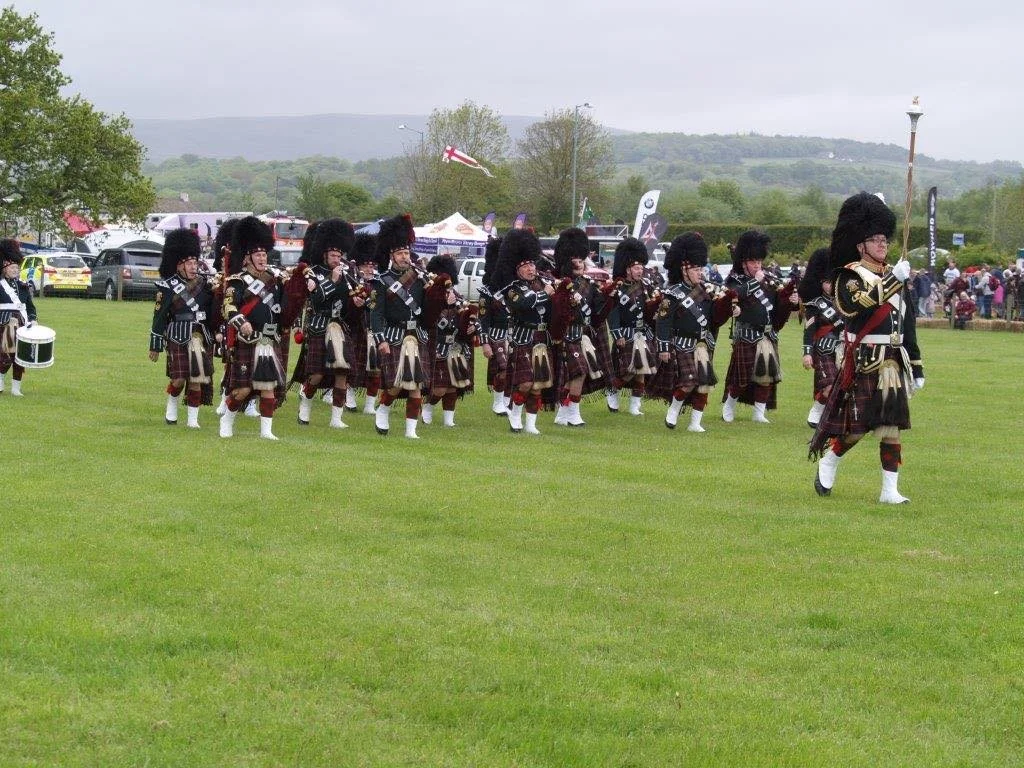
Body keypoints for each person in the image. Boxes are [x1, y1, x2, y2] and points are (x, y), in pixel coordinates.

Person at [810, 192, 924, 504]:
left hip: (892, 364)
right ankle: (831, 458)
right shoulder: (849, 276)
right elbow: (855, 307)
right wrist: (892, 281)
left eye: (885, 239)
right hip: (863, 361)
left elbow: (907, 325)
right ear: (861, 244)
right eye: (875, 239)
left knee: (891, 428)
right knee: (856, 429)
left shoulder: (895, 277)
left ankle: (889, 491)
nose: (883, 244)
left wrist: (916, 365)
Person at [650, 232, 737, 432]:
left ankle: (695, 423)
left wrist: (731, 308)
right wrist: (663, 347)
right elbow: (662, 322)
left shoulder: (707, 291)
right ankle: (674, 409)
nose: (700, 272)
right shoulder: (671, 294)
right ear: (684, 270)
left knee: (704, 384)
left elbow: (714, 317)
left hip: (703, 345)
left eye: (701, 268)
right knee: (688, 381)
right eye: (696, 269)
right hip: (681, 344)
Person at [219, 216, 287, 440]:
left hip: (268, 338)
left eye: (264, 254)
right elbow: (227, 307)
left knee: (267, 387)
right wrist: (241, 321)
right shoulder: (238, 281)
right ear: (247, 258)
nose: (262, 258)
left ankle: (266, 431)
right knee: (243, 390)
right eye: (258, 254)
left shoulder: (275, 280)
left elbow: (287, 305)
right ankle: (227, 419)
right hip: (247, 340)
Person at [721, 230, 799, 423]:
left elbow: (778, 305)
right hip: (746, 333)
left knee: (766, 375)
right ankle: (729, 406)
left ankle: (759, 413)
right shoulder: (735, 279)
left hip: (768, 334)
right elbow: (733, 295)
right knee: (742, 375)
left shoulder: (770, 279)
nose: (757, 265)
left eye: (759, 261)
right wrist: (754, 283)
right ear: (744, 262)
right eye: (753, 262)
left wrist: (791, 301)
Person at [290, 218, 358, 430]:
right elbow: (316, 299)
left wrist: (357, 301)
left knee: (342, 372)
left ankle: (336, 418)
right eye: (333, 256)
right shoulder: (311, 273)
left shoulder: (347, 275)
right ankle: (305, 409)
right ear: (324, 254)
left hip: (339, 327)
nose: (337, 259)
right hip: (319, 326)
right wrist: (333, 281)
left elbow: (349, 304)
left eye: (340, 256)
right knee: (317, 374)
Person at [148, 228, 216, 428]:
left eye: (195, 262)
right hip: (177, 336)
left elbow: (213, 314)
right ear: (179, 265)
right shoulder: (168, 287)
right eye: (189, 263)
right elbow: (159, 318)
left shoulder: (205, 285)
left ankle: (193, 420)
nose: (194, 267)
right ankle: (172, 403)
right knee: (178, 379)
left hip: (199, 336)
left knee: (196, 378)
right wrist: (155, 346)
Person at [368, 214, 428, 438]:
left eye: (406, 253)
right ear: (391, 256)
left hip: (417, 335)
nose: (405, 257)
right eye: (400, 254)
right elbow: (376, 314)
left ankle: (411, 431)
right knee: (395, 384)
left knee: (416, 385)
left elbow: (428, 309)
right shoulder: (382, 281)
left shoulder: (421, 278)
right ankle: (382, 410)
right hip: (393, 335)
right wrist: (380, 339)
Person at [492, 228, 555, 434]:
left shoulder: (543, 282)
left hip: (542, 337)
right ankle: (515, 413)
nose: (530, 269)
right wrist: (546, 294)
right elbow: (524, 304)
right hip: (523, 337)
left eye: (532, 264)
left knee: (538, 384)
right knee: (526, 383)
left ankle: (531, 424)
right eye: (525, 266)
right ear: (517, 269)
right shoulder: (513, 288)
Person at [549, 228, 604, 426]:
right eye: (577, 260)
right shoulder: (559, 285)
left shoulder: (588, 285)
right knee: (578, 372)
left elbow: (598, 314)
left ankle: (564, 413)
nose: (581, 264)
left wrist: (609, 296)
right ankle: (573, 414)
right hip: (564, 336)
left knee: (575, 374)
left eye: (582, 260)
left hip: (580, 336)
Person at [420, 254, 477, 428]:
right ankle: (427, 408)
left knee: (454, 386)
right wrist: (446, 304)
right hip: (437, 344)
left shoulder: (457, 295)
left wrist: (472, 325)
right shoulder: (428, 294)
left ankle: (448, 419)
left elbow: (468, 316)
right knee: (439, 387)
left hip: (456, 346)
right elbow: (430, 318)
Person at [605, 237, 660, 417]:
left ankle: (634, 405)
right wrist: (616, 333)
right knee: (629, 370)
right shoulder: (618, 288)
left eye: (641, 268)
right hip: (625, 333)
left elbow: (650, 309)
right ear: (628, 268)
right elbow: (612, 312)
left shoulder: (645, 286)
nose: (640, 271)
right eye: (637, 268)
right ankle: (613, 390)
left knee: (642, 370)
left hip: (642, 333)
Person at [798, 247, 844, 428]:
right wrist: (807, 353)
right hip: (822, 349)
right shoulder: (814, 305)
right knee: (829, 386)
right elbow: (808, 331)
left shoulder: (845, 302)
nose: (829, 286)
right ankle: (817, 410)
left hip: (842, 350)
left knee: (841, 386)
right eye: (826, 282)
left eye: (832, 282)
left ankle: (831, 415)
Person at [346, 232, 380, 414]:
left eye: (371, 265)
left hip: (375, 331)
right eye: (365, 265)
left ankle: (369, 404)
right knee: (355, 366)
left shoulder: (380, 284)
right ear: (358, 266)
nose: (369, 269)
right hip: (357, 329)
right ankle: (349, 397)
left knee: (375, 369)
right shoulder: (352, 283)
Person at [477, 237, 511, 416]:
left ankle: (507, 401)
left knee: (513, 370)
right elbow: (482, 319)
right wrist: (484, 343)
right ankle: (498, 402)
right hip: (496, 335)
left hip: (515, 335)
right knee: (503, 370)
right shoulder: (487, 292)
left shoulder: (517, 288)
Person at [0, 239, 37, 396]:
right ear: (4, 269)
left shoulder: (23, 285)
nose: (15, 270)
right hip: (4, 323)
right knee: (5, 356)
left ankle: (16, 388)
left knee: (20, 357)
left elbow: (30, 306)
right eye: (12, 267)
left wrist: (33, 319)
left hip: (22, 324)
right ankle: (0, 380)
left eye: (17, 267)